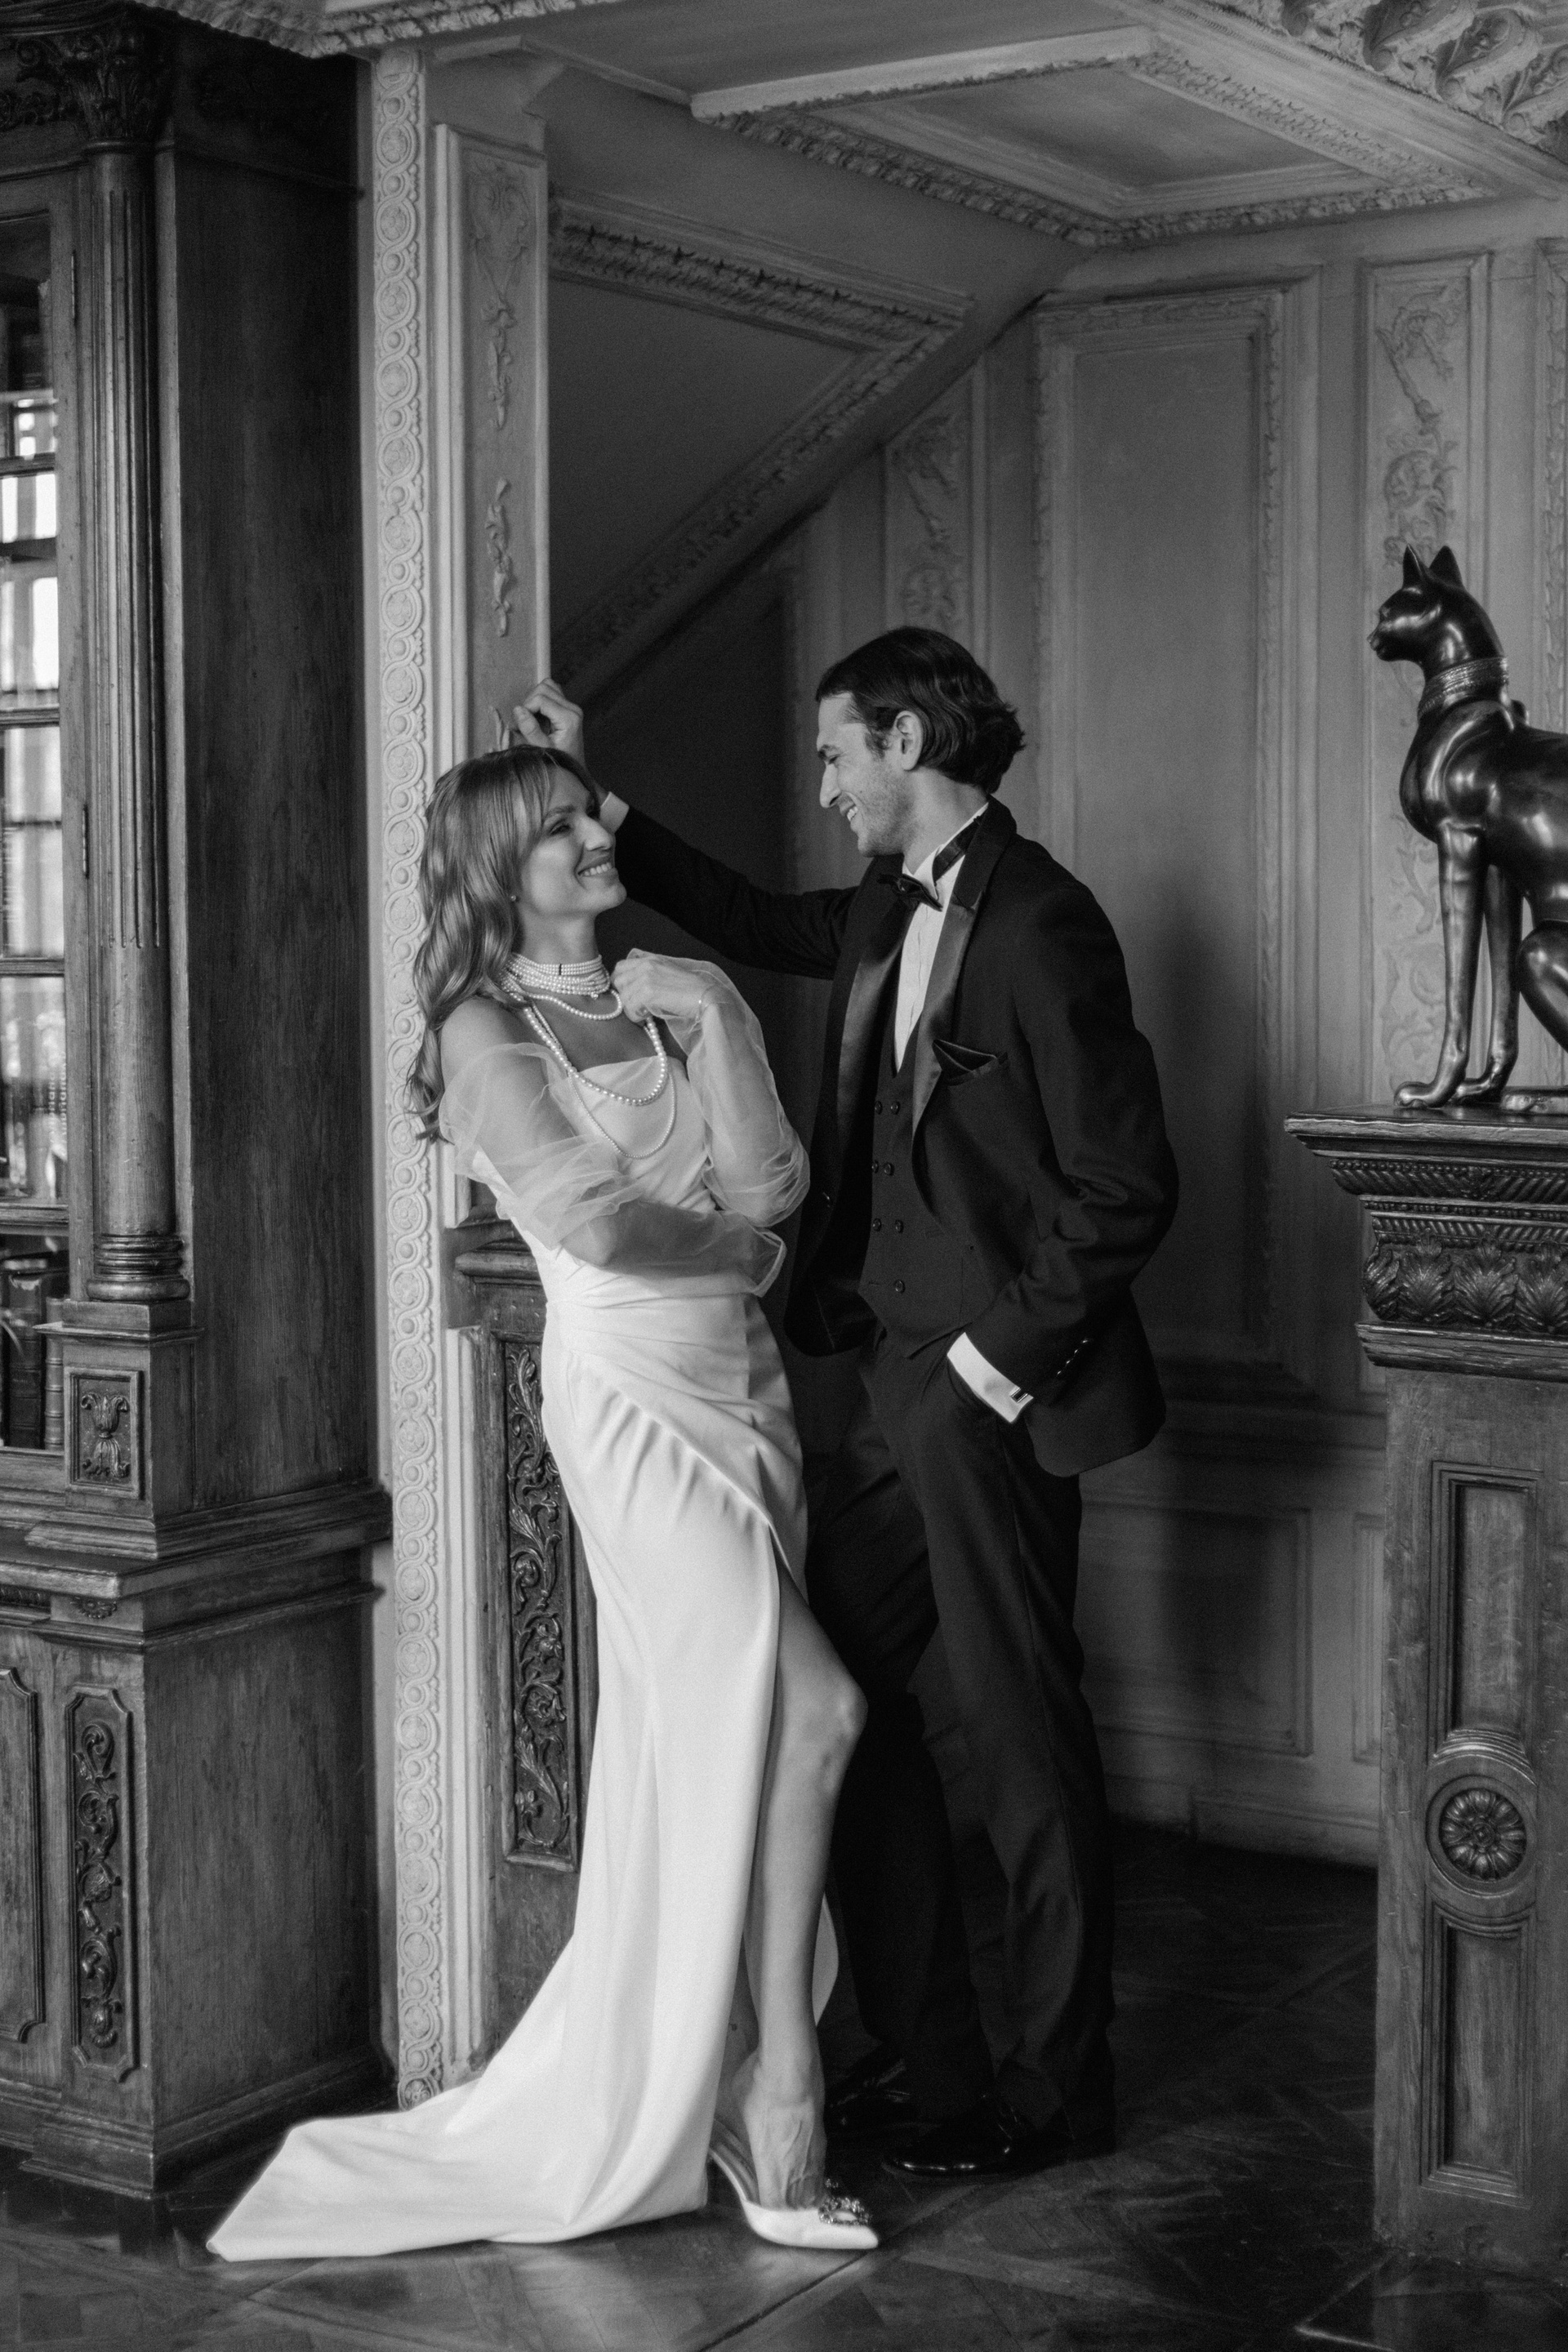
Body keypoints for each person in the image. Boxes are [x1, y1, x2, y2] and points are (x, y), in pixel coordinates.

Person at [517, 628, 1177, 2182]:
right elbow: (750, 916)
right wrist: (587, 788)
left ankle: (1054, 2092)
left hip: (992, 1392)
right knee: (842, 1698)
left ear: (904, 744)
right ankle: (934, 2061)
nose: (824, 787)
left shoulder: (1046, 922)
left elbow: (1127, 1182)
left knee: (1018, 1734)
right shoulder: (886, 904)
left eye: (836, 757)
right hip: (878, 1377)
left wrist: (989, 1369)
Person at [209, 743, 876, 2259]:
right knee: (822, 1710)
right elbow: (600, 1225)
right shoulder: (481, 1023)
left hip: (742, 1382)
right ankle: (785, 2089)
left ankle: (736, 2071)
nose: (592, 834)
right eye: (557, 826)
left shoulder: (661, 995)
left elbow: (769, 1186)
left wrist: (719, 1013)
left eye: (586, 812)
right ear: (499, 872)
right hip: (630, 1390)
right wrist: (749, 1257)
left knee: (748, 1723)